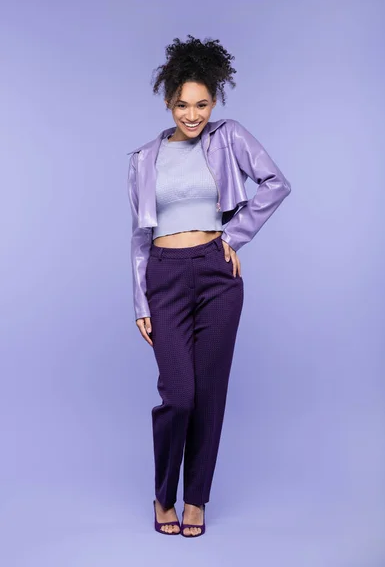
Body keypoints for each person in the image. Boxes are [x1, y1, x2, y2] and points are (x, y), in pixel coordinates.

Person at [127, 35, 291, 537]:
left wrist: (234, 237)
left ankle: (196, 496)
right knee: (179, 394)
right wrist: (140, 299)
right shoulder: (142, 158)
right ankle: (163, 494)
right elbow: (139, 235)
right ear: (168, 101)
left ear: (214, 102)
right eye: (182, 104)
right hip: (164, 274)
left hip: (218, 277)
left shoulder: (229, 137)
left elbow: (275, 183)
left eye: (201, 104)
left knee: (210, 393)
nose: (192, 115)